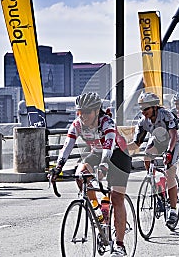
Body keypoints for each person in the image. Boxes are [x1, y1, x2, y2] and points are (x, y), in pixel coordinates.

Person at [49, 92, 131, 257]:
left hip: (118, 155)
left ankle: (120, 245)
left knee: (116, 197)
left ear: (96, 110)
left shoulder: (106, 123)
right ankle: (98, 212)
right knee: (80, 173)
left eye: (86, 112)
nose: (83, 116)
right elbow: (67, 146)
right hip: (97, 153)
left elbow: (108, 149)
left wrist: (103, 168)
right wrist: (57, 168)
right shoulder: (78, 124)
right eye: (80, 112)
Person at [127, 92, 179, 227]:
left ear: (154, 107)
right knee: (147, 156)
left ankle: (173, 210)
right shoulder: (142, 121)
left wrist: (169, 152)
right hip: (157, 141)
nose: (143, 111)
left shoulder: (166, 115)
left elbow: (173, 135)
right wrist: (120, 149)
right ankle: (155, 186)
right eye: (141, 109)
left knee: (170, 173)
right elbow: (136, 143)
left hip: (172, 142)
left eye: (146, 108)